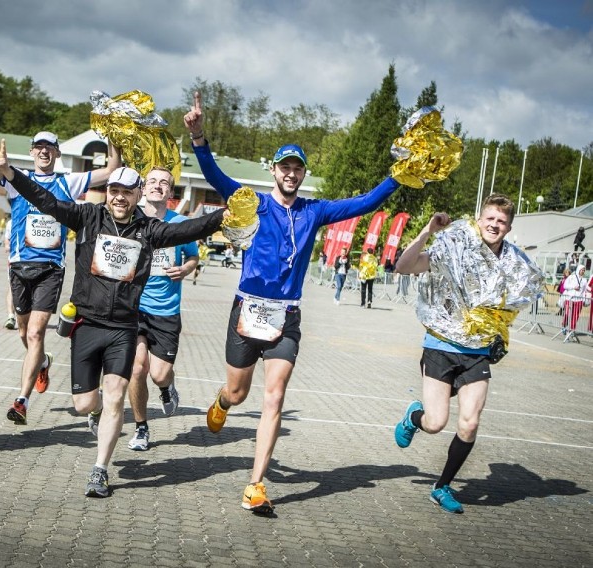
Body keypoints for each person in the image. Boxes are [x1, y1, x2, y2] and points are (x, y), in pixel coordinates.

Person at [184, 91, 400, 514]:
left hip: (286, 316)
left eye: (297, 168)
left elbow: (364, 204)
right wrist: (199, 138)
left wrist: (397, 177)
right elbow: (216, 178)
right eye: (284, 166)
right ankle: (222, 402)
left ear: (302, 174)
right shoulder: (255, 202)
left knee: (275, 395)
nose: (290, 173)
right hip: (248, 310)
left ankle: (256, 485)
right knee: (239, 391)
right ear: (274, 170)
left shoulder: (315, 211)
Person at [0, 140, 228, 498]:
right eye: (113, 190)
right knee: (86, 404)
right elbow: (44, 199)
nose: (118, 198)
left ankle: (100, 470)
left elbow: (189, 230)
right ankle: (95, 414)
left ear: (136, 195)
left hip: (123, 329)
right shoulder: (87, 217)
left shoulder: (149, 229)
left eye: (126, 192)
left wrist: (226, 215)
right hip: (86, 326)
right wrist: (10, 173)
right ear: (107, 192)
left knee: (116, 397)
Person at [0, 100, 120, 427]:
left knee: (35, 333)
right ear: (32, 152)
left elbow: (112, 169)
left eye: (50, 147)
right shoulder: (14, 179)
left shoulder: (69, 182)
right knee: (24, 332)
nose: (44, 151)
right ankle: (43, 361)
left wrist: (111, 132)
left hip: (50, 269)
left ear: (58, 154)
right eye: (39, 146)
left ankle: (21, 401)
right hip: (19, 268)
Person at [393, 194, 544, 514]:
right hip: (441, 346)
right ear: (479, 220)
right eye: (490, 218)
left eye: (501, 221)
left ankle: (442, 486)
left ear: (509, 227)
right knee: (435, 423)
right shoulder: (454, 249)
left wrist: (500, 329)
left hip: (477, 352)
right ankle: (414, 417)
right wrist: (427, 233)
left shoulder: (513, 264)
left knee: (470, 422)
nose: (495, 225)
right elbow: (404, 266)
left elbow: (522, 296)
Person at [126, 167, 199, 451]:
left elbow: (193, 257)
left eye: (164, 183)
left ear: (170, 193)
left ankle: (167, 388)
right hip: (133, 307)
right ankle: (141, 427)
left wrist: (185, 269)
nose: (158, 186)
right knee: (136, 369)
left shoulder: (180, 223)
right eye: (153, 182)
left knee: (158, 374)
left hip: (166, 311)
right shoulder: (131, 219)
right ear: (143, 188)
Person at [560, 265, 588, 333]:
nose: (583, 271)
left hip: (579, 300)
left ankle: (572, 330)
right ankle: (564, 326)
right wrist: (573, 287)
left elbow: (584, 291)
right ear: (578, 270)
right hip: (570, 299)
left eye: (584, 270)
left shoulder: (584, 280)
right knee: (567, 314)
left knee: (575, 316)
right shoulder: (571, 277)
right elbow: (565, 286)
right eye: (582, 270)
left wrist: (584, 300)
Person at [3, 219, 16, 330]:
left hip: (31, 261)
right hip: (14, 260)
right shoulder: (11, 222)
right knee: (12, 287)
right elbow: (7, 239)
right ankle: (11, 316)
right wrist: (7, 246)